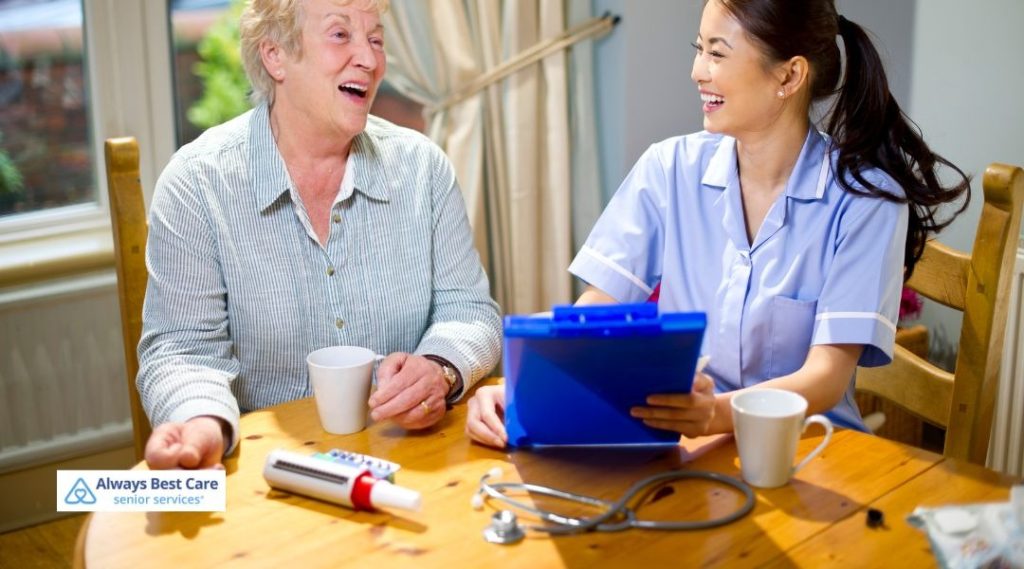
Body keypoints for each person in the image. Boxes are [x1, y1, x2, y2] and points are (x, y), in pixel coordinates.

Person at [466, 0, 969, 448]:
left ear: (789, 77)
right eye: (698, 49)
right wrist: (521, 389)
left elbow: (826, 377)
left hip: (808, 453)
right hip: (687, 448)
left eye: (717, 53)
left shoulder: (864, 201)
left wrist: (712, 416)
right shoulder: (669, 168)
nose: (696, 71)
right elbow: (600, 305)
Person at [141, 0, 502, 469]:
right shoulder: (197, 183)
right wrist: (203, 423)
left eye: (375, 39)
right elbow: (180, 350)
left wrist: (440, 368)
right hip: (269, 470)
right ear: (276, 56)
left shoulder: (423, 168)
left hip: (410, 458)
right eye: (340, 35)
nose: (369, 60)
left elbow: (469, 309)